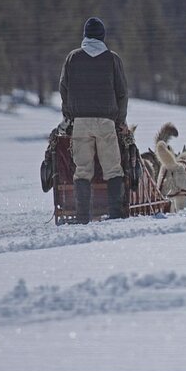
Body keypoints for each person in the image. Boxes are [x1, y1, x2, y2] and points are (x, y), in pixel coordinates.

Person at [59, 17, 129, 223]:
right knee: (113, 168)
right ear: (102, 36)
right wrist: (121, 121)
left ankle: (82, 217)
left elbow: (64, 88)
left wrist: (68, 116)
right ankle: (115, 214)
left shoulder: (73, 57)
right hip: (106, 122)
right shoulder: (112, 58)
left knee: (82, 170)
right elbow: (122, 93)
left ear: (85, 35)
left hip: (80, 121)